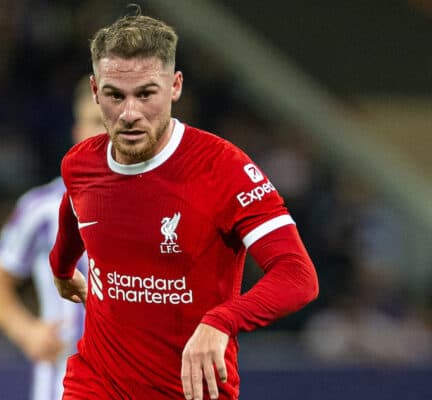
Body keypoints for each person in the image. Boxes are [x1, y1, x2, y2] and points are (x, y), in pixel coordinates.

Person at [49, 11, 319, 400]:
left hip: (191, 391)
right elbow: (73, 213)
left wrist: (222, 320)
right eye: (114, 95)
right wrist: (60, 267)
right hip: (96, 384)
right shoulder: (81, 164)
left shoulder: (223, 168)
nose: (129, 114)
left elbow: (298, 276)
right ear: (94, 91)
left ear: (175, 86)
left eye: (145, 94)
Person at [0, 77, 104, 400]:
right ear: (77, 132)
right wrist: (27, 332)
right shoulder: (44, 209)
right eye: (95, 121)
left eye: (111, 120)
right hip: (62, 388)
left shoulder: (158, 207)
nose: (104, 132)